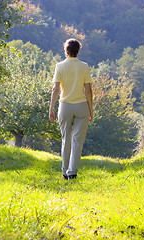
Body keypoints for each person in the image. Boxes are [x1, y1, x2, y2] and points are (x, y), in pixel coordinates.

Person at [49, 38, 93, 180]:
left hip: (65, 106)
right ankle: (72, 172)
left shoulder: (59, 66)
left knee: (65, 139)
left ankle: (64, 171)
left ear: (66, 50)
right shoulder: (84, 66)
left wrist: (51, 108)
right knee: (77, 141)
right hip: (81, 106)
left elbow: (56, 89)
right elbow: (88, 90)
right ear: (78, 50)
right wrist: (91, 109)